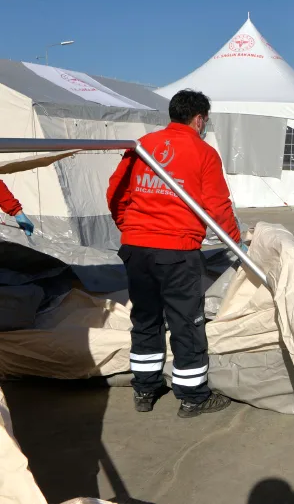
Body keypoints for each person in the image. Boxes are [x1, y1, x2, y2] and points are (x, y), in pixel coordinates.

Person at [107, 89, 245, 418]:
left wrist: (129, 226)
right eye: (205, 122)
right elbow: (217, 207)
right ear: (198, 119)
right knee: (186, 321)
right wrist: (236, 244)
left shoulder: (142, 146)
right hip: (177, 251)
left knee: (145, 318)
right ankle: (193, 396)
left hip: (136, 249)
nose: (204, 127)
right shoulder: (203, 153)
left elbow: (116, 190)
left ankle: (145, 389)